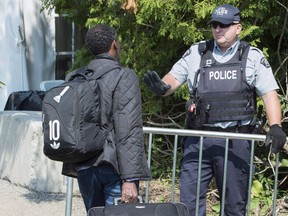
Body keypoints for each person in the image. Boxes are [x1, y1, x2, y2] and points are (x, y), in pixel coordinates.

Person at [143, 4, 287, 216]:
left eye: (224, 25)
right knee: (188, 206)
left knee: (233, 206)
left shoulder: (252, 56)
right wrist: (163, 88)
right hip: (198, 139)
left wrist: (275, 126)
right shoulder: (197, 52)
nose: (218, 29)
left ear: (238, 28)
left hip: (235, 140)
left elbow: (269, 94)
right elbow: (173, 79)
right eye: (214, 25)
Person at [62, 24, 151, 212]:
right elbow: (128, 129)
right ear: (114, 44)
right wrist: (129, 179)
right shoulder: (123, 76)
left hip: (84, 165)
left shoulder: (76, 77)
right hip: (114, 167)